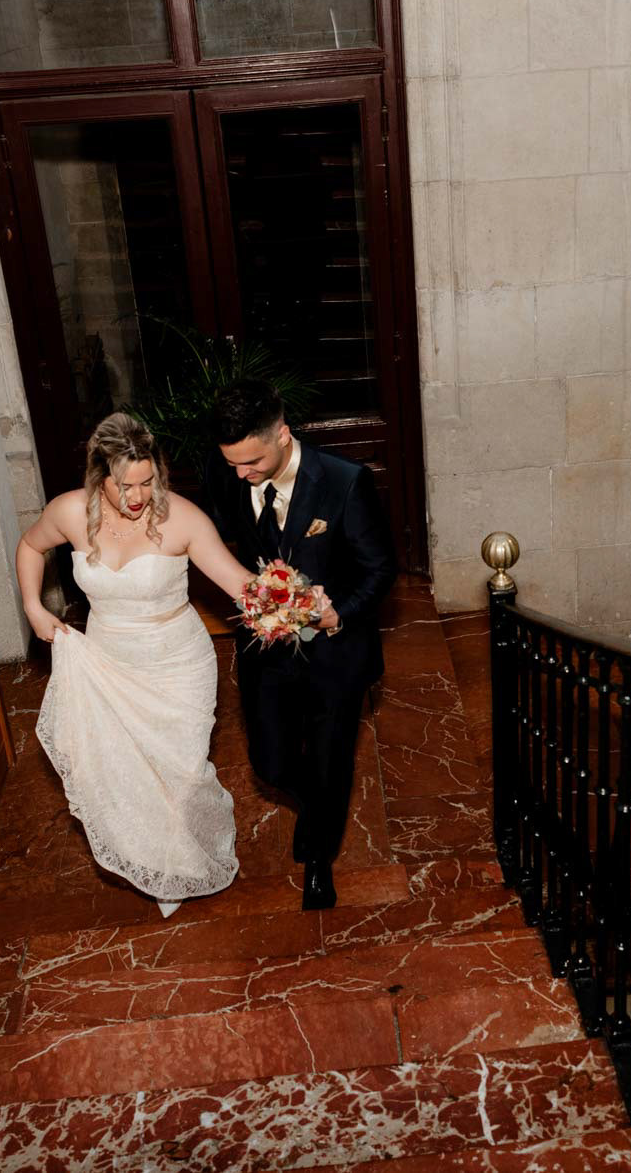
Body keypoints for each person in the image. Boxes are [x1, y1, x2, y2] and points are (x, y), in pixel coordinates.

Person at [17, 412, 254, 917]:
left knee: (182, 771)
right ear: (99, 476)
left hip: (177, 663)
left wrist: (294, 603)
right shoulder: (69, 512)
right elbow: (31, 546)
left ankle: (182, 853)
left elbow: (240, 585)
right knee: (124, 769)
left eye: (149, 481)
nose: (140, 495)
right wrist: (34, 607)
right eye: (126, 485)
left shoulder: (183, 520)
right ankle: (159, 863)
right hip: (109, 660)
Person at [204, 380, 396, 910]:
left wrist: (341, 612)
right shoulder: (228, 473)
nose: (241, 474)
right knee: (270, 764)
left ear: (283, 435)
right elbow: (215, 536)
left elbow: (381, 569)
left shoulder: (344, 482)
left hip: (334, 655)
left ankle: (318, 860)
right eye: (232, 464)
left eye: (251, 462)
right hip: (265, 653)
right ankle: (319, 806)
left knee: (332, 760)